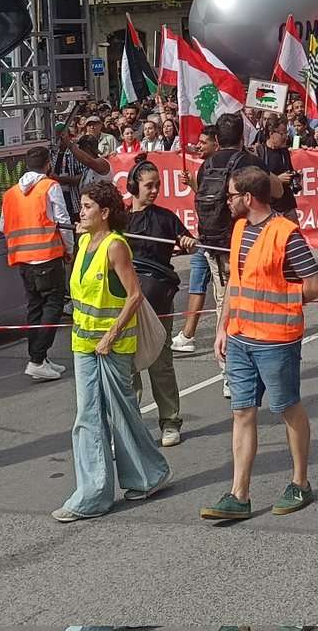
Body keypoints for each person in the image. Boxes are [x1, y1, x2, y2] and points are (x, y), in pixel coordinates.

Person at [201, 167, 318, 523]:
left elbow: (315, 285)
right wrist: (222, 328)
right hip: (240, 336)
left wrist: (284, 303)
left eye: (230, 196)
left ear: (248, 197)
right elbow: (235, 283)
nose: (226, 202)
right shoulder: (240, 229)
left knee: (287, 408)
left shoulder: (286, 234)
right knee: (242, 412)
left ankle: (300, 482)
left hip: (275, 341)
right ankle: (239, 494)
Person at [54, 179, 171, 520]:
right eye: (81, 206)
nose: (80, 212)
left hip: (113, 345)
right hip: (83, 343)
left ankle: (148, 475)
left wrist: (111, 335)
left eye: (87, 207)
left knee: (121, 412)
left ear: (104, 212)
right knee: (87, 416)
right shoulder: (84, 241)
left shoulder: (115, 246)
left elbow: (134, 296)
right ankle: (93, 494)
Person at [173, 115, 269, 357]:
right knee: (254, 297)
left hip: (214, 243)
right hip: (248, 241)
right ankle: (245, 353)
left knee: (223, 301)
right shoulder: (251, 162)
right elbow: (271, 196)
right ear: (242, 136)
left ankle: (228, 362)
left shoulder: (207, 165)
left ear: (217, 139)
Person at [125, 162, 190, 446]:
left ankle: (170, 422)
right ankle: (130, 427)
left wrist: (188, 241)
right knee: (128, 367)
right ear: (133, 186)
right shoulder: (119, 219)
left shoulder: (166, 218)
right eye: (148, 185)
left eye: (157, 185)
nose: (154, 191)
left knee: (161, 363)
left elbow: (187, 239)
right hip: (125, 302)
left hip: (158, 299)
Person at [0, 150, 72, 382]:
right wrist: (70, 249)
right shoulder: (50, 186)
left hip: (23, 259)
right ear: (48, 165)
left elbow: (3, 225)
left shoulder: (10, 193)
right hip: (48, 256)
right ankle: (37, 360)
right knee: (53, 306)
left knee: (35, 308)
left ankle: (39, 358)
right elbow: (63, 221)